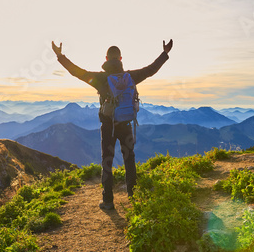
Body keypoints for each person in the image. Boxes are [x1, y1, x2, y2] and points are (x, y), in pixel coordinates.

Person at [52, 39, 173, 210]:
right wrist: (165, 53)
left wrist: (59, 56)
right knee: (129, 159)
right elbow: (150, 70)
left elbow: (77, 72)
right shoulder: (130, 77)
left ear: (106, 59)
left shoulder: (101, 78)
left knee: (107, 161)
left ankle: (108, 200)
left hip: (108, 126)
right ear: (121, 59)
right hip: (126, 123)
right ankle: (133, 196)